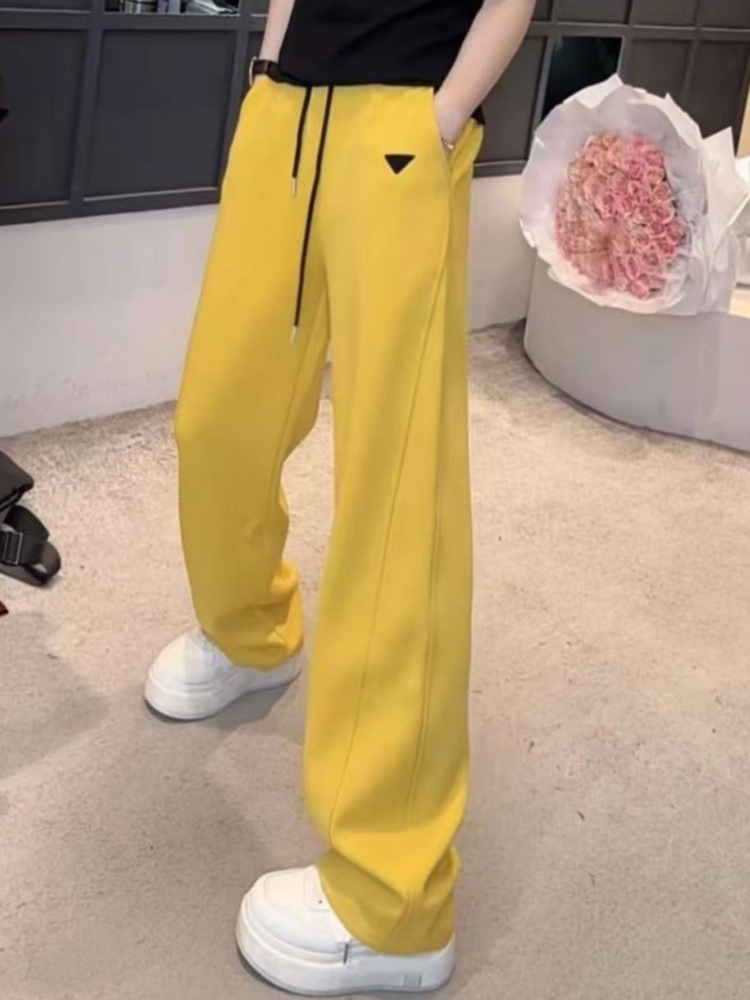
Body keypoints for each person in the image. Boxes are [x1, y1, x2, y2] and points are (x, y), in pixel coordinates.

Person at [145, 0, 534, 993]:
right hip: (286, 116)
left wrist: (442, 115)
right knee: (218, 419)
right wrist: (268, 73)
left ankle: (395, 899)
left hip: (403, 121)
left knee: (397, 495)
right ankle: (251, 631)